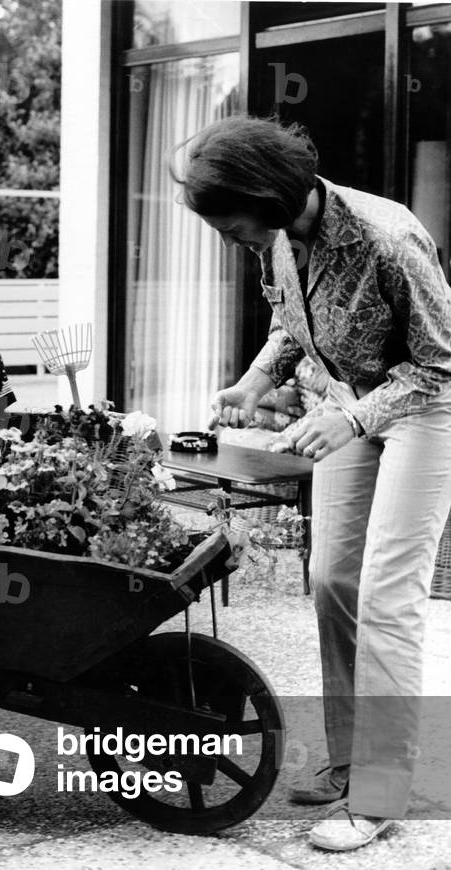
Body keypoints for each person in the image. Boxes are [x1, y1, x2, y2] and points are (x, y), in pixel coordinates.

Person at [176, 115, 451, 852]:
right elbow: (288, 324)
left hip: (424, 409)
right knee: (332, 579)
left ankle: (382, 794)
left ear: (266, 197)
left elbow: (441, 362)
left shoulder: (388, 240)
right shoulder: (273, 239)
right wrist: (251, 381)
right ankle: (348, 763)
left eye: (231, 228)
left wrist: (353, 419)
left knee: (388, 595)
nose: (230, 242)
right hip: (345, 404)